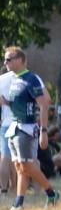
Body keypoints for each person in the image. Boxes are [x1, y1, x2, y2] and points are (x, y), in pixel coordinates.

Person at [2, 47, 60, 210]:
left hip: (26, 128)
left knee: (27, 165)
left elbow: (44, 104)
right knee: (20, 167)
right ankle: (19, 202)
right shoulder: (14, 79)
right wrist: (6, 102)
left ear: (21, 60)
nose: (5, 62)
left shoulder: (31, 79)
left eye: (9, 59)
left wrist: (43, 131)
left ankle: (51, 193)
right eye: (5, 59)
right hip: (14, 127)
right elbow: (19, 103)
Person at [0, 64, 13, 197]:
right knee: (21, 158)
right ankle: (16, 186)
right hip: (22, 122)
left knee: (5, 156)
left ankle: (4, 190)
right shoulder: (25, 78)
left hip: (6, 123)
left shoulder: (1, 81)